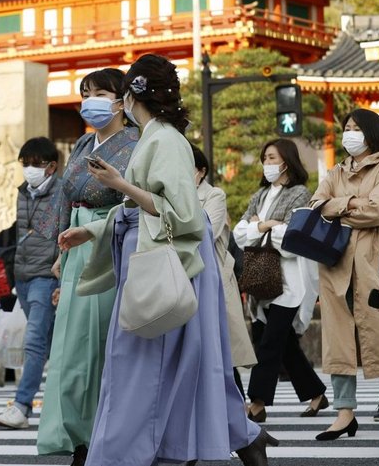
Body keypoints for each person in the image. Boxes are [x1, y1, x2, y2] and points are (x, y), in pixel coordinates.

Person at [57, 54, 275, 466]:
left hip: (163, 262)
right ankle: (237, 437)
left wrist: (119, 183)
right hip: (165, 260)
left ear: (130, 96)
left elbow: (183, 213)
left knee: (139, 364)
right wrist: (95, 229)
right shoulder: (157, 137)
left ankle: (126, 455)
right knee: (183, 363)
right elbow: (148, 209)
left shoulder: (163, 141)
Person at [37, 69, 138, 465]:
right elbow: (65, 198)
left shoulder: (136, 143)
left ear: (121, 101)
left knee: (100, 344)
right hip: (76, 242)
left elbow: (134, 198)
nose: (90, 100)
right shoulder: (82, 141)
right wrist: (59, 253)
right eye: (85, 92)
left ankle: (99, 434)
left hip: (109, 237)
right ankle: (76, 435)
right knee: (70, 347)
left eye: (100, 92)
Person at [309, 109, 379, 441]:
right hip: (335, 264)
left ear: (372, 133)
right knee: (337, 339)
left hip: (372, 263)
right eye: (346, 128)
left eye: (356, 128)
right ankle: (344, 413)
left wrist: (338, 206)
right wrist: (353, 205)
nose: (349, 134)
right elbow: (316, 203)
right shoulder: (336, 170)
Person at [234, 138, 327, 423]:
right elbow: (239, 234)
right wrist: (263, 225)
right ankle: (316, 393)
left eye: (272, 158)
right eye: (265, 158)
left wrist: (257, 228)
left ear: (286, 160)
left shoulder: (300, 194)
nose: (267, 164)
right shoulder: (260, 195)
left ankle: (258, 402)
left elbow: (290, 238)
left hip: (290, 281)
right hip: (263, 279)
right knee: (283, 343)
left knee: (269, 343)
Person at [0, 137, 63, 430]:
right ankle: (58, 402)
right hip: (22, 276)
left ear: (51, 166)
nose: (30, 169)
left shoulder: (63, 192)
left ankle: (22, 405)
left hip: (47, 276)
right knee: (46, 343)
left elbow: (64, 232)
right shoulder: (23, 193)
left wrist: (62, 275)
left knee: (34, 342)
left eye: (37, 163)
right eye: (26, 164)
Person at [192, 144, 258, 391]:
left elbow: (205, 231)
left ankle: (237, 407)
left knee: (222, 348)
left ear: (201, 171)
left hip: (214, 278)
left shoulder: (214, 195)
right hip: (186, 279)